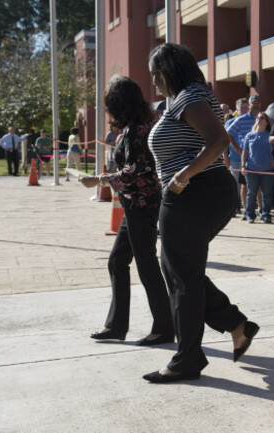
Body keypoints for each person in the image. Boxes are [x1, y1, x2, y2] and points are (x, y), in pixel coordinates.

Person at [145, 43, 258, 383]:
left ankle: (188, 359)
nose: (153, 82)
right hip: (198, 193)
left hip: (194, 193)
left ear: (168, 71)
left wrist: (181, 177)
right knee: (179, 271)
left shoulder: (190, 96)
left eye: (155, 74)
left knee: (183, 278)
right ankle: (236, 325)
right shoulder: (187, 97)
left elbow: (219, 141)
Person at [79, 76, 174, 347]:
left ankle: (163, 328)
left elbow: (134, 171)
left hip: (142, 205)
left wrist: (99, 180)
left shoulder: (138, 131)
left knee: (146, 266)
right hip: (136, 204)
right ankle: (116, 325)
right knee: (118, 261)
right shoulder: (136, 127)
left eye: (109, 104)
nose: (107, 111)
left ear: (119, 104)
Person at [241, 112, 274, 223]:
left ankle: (265, 214)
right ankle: (250, 214)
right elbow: (245, 152)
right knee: (251, 193)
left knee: (267, 194)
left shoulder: (270, 135)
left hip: (268, 170)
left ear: (266, 121)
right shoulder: (249, 135)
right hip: (252, 169)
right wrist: (243, 166)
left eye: (262, 118)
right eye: (258, 118)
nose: (259, 119)